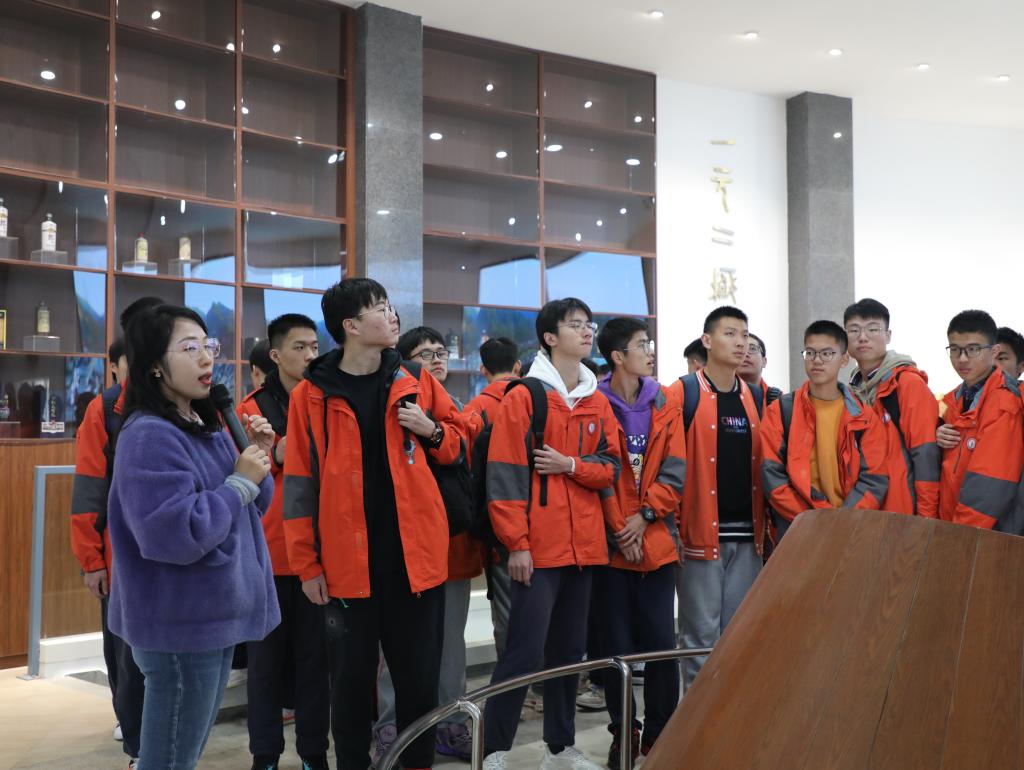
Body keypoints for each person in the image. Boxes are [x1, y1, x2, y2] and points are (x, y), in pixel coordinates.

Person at [283, 279, 464, 770]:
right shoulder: (311, 396)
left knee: (419, 688)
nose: (392, 316)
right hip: (347, 570)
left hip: (415, 566)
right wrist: (307, 565)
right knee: (349, 691)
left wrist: (433, 430)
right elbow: (299, 484)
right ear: (351, 326)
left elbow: (462, 439)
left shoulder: (414, 379)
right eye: (380, 309)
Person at [106, 304, 280, 770]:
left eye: (209, 346)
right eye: (189, 348)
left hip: (213, 614)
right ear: (154, 365)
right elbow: (174, 534)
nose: (206, 358)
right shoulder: (149, 435)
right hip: (179, 624)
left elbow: (253, 508)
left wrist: (257, 457)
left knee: (181, 754)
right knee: (169, 760)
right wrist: (239, 482)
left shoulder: (205, 423)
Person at [482, 297, 620, 770]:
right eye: (575, 325)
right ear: (549, 337)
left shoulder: (596, 400)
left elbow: (611, 469)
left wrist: (571, 465)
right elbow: (503, 477)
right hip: (537, 549)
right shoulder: (525, 397)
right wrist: (516, 545)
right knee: (522, 652)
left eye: (589, 324)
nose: (587, 331)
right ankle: (493, 749)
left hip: (585, 548)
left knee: (568, 653)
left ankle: (559, 747)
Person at [370, 326, 483, 763]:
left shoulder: (456, 409)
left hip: (451, 543)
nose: (436, 360)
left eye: (441, 352)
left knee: (450, 646)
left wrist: (433, 429)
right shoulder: (390, 397)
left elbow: (463, 447)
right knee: (395, 649)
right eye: (425, 354)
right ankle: (390, 729)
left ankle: (450, 726)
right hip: (403, 546)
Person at [70, 295, 162, 768]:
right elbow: (89, 490)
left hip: (180, 555)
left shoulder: (196, 404)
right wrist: (92, 561)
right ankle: (139, 750)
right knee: (128, 659)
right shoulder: (105, 409)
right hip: (122, 559)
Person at [238, 314, 329, 770]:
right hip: (268, 555)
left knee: (317, 664)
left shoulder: (327, 400)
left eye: (314, 346)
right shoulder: (250, 409)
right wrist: (275, 452)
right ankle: (265, 756)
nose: (310, 355)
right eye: (299, 347)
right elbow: (239, 473)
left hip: (318, 554)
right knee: (265, 667)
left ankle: (314, 753)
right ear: (275, 355)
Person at [595, 318, 684, 768]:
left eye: (648, 344)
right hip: (612, 550)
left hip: (656, 541)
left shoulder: (664, 400)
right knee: (616, 649)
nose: (649, 352)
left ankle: (660, 732)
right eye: (641, 345)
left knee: (661, 645)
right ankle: (623, 731)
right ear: (617, 356)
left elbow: (675, 470)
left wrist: (644, 517)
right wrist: (620, 529)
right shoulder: (594, 402)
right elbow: (600, 473)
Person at [667, 306, 764, 690]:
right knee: (700, 639)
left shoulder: (754, 396)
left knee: (738, 635)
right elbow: (668, 466)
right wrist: (673, 528)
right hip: (699, 537)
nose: (741, 343)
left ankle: (729, 717)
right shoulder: (683, 392)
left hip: (748, 538)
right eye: (730, 333)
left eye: (745, 335)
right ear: (706, 341)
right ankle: (698, 719)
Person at [761, 320, 890, 540]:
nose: (817, 360)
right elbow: (772, 475)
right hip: (797, 529)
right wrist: (812, 519)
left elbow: (874, 479)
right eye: (810, 353)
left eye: (827, 353)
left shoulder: (864, 417)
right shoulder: (781, 411)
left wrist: (841, 521)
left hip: (848, 530)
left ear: (844, 359)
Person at [844, 298, 940, 518]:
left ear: (888, 335)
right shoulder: (851, 391)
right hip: (864, 511)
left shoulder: (907, 383)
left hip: (901, 513)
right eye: (854, 330)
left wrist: (925, 520)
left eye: (872, 329)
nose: (863, 337)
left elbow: (926, 455)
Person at [935, 310, 1024, 531]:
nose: (962, 359)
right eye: (955, 349)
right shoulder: (953, 400)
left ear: (994, 351)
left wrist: (959, 535)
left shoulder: (1004, 403)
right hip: (951, 525)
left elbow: (991, 485)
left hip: (982, 536)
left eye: (973, 349)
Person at [738, 333, 782, 409]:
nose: (746, 354)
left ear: (764, 361)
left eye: (752, 348)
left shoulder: (778, 400)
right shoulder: (718, 395)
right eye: (740, 350)